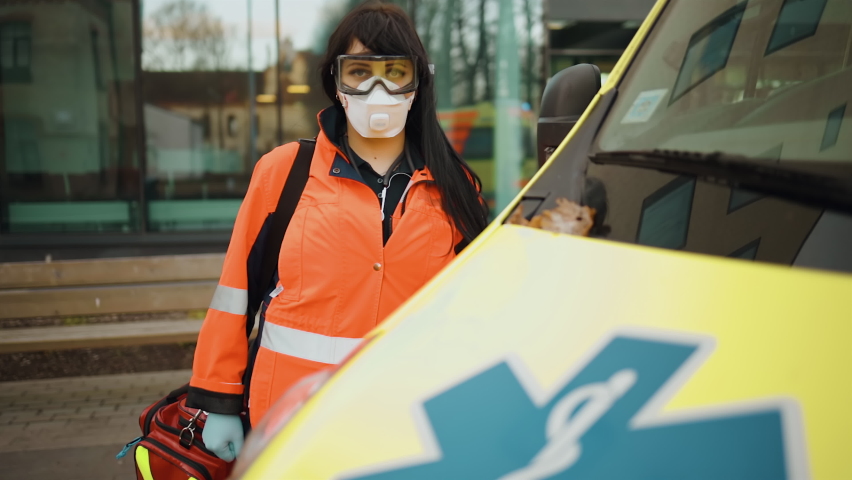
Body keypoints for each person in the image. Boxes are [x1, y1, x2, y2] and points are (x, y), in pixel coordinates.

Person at [186, 1, 489, 462]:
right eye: (359, 72)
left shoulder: (456, 188)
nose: (378, 89)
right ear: (335, 82)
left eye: (395, 72)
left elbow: (473, 311)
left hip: (406, 418)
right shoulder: (285, 172)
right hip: (292, 418)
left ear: (417, 84)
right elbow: (235, 292)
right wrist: (218, 398)